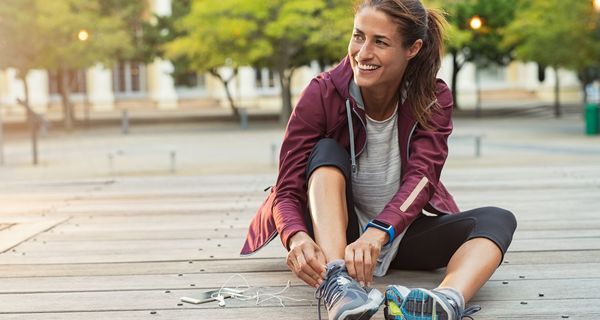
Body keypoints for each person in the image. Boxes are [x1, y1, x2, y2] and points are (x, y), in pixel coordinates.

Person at [241, 0, 517, 319]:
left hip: (398, 235)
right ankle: (339, 284)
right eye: (359, 36)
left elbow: (422, 179)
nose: (362, 53)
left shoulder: (433, 97)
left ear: (412, 49)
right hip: (338, 239)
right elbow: (287, 190)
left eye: (380, 42)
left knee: (497, 219)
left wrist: (380, 231)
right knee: (326, 151)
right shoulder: (322, 93)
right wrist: (296, 235)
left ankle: (446, 301)